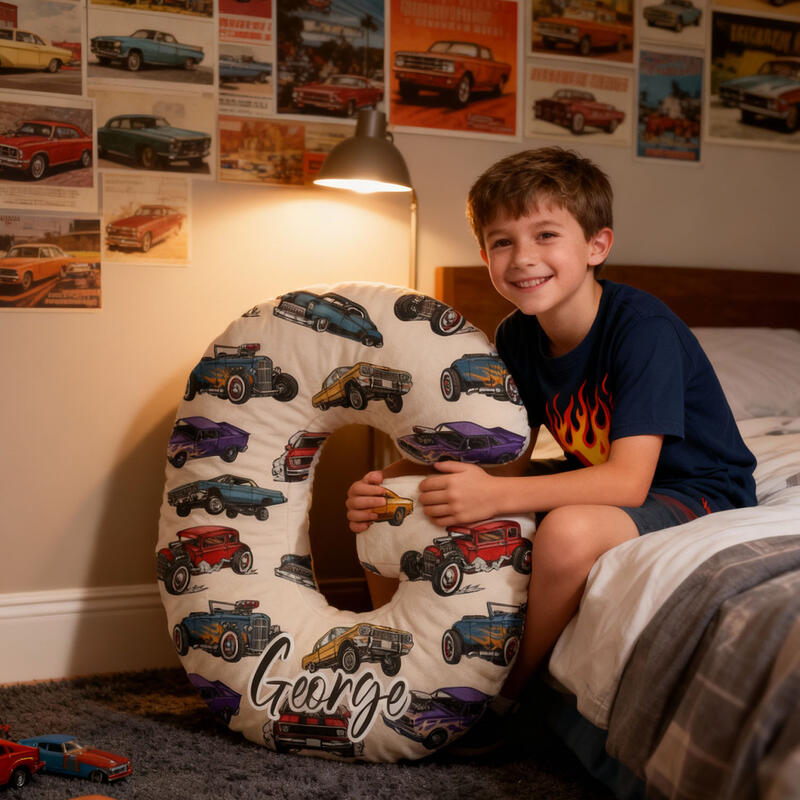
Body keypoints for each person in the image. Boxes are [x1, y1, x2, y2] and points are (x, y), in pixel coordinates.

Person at [346, 146, 757, 753]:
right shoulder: (516, 335)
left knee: (566, 532)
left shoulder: (642, 330)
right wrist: (393, 477)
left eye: (545, 234)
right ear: (485, 257)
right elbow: (506, 458)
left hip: (694, 488)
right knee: (401, 500)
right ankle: (405, 663)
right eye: (502, 241)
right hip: (597, 472)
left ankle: (505, 695)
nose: (523, 257)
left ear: (596, 245)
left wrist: (496, 496)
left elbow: (628, 482)